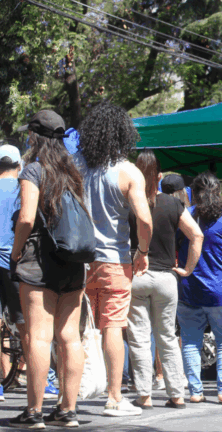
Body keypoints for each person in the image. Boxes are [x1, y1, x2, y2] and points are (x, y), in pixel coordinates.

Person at [9, 111, 87, 428]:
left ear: (35, 137)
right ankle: (67, 411)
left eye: (29, 134)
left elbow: (27, 219)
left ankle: (34, 412)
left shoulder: (33, 171)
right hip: (74, 262)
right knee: (70, 338)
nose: (27, 138)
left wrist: (15, 252)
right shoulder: (74, 173)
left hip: (40, 262)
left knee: (39, 337)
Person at [75, 102, 153, 417]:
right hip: (114, 259)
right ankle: (113, 397)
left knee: (75, 326)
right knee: (112, 326)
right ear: (124, 134)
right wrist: (142, 252)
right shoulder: (128, 171)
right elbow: (144, 221)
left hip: (75, 259)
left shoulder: (74, 165)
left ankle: (69, 395)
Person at [126, 150, 204, 410]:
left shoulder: (128, 202)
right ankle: (176, 394)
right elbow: (196, 235)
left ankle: (144, 395)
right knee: (167, 337)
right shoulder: (173, 204)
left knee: (139, 338)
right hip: (166, 278)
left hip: (135, 274)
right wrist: (188, 268)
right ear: (159, 176)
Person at [175, 172, 222, 404]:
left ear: (193, 194)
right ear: (218, 193)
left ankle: (195, 392)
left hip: (189, 289)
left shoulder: (184, 217)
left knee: (190, 341)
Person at [0, 144, 26, 403]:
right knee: (25, 321)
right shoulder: (23, 189)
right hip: (16, 262)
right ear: (18, 166)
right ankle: (37, 381)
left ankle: (0, 383)